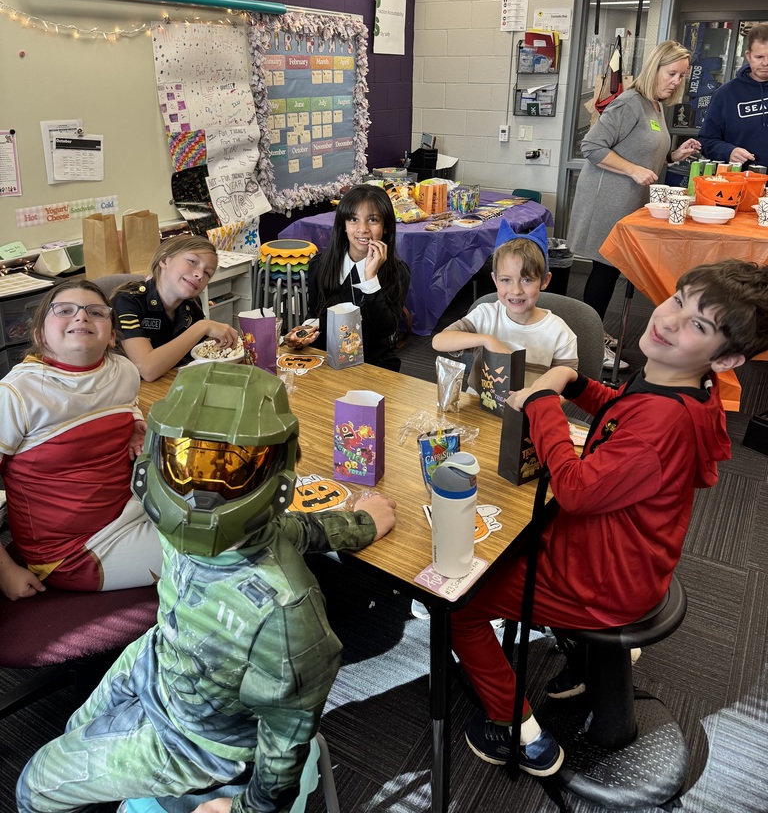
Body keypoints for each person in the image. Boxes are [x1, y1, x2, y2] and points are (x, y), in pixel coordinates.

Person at [16, 363, 397, 813]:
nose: (201, 491)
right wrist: (362, 523)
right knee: (73, 727)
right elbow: (289, 530)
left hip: (202, 742)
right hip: (159, 656)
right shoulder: (203, 527)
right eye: (186, 460)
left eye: (229, 469)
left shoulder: (288, 617)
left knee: (33, 788)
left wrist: (246, 810)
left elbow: (285, 741)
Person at [451, 258, 768, 777]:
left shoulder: (662, 426)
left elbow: (574, 490)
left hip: (605, 579)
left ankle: (517, 729)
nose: (667, 320)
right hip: (634, 555)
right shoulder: (684, 385)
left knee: (460, 604)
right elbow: (625, 408)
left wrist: (544, 403)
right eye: (677, 301)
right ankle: (584, 662)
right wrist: (577, 384)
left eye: (698, 325)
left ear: (727, 357)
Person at [0, 280, 162, 598]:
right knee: (214, 555)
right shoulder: (17, 394)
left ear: (113, 334)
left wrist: (135, 424)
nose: (81, 317)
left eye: (96, 312)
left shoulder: (124, 370)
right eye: (64, 310)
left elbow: (127, 404)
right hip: (74, 549)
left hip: (133, 501)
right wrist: (5, 571)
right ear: (39, 335)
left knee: (227, 510)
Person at [568, 40, 701, 369]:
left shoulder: (654, 106)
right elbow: (592, 145)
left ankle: (593, 330)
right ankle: (589, 341)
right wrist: (632, 169)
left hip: (629, 202)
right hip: (606, 200)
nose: (676, 81)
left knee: (612, 270)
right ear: (654, 68)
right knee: (605, 268)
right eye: (671, 73)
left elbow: (644, 154)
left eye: (682, 76)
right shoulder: (630, 102)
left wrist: (672, 157)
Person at [432, 223, 577, 392]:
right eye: (506, 280)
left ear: (544, 281)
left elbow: (571, 390)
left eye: (527, 280)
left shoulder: (559, 333)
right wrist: (487, 340)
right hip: (478, 408)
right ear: (495, 280)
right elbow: (439, 341)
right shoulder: (485, 315)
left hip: (529, 412)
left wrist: (536, 401)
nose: (516, 290)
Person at [283, 184, 411, 372]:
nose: (362, 229)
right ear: (343, 225)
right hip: (327, 358)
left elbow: (386, 329)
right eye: (353, 219)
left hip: (373, 363)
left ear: (385, 228)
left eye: (373, 220)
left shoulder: (397, 272)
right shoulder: (321, 265)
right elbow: (316, 313)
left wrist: (370, 279)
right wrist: (304, 332)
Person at [112, 235, 240, 382]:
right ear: (164, 260)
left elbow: (201, 352)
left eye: (207, 273)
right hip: (131, 392)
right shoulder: (127, 300)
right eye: (192, 261)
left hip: (171, 382)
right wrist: (203, 326)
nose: (199, 275)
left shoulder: (191, 304)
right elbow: (147, 369)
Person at [700, 21, 768, 168]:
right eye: (759, 57)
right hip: (740, 183)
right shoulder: (725, 95)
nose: (765, 63)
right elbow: (706, 141)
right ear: (748, 56)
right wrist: (728, 151)